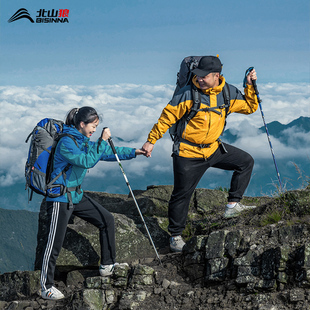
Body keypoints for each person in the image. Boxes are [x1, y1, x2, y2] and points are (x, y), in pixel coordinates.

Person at [142, 56, 259, 252]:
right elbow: (167, 116)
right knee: (182, 195)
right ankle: (175, 237)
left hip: (213, 149)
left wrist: (249, 86)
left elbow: (250, 107)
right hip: (187, 153)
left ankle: (232, 205)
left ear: (216, 75)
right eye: (198, 76)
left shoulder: (227, 93)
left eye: (204, 77)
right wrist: (151, 140)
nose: (200, 79)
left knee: (245, 161)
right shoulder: (188, 93)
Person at [40, 106, 145, 300]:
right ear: (82, 124)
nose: (95, 130)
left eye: (97, 127)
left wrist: (135, 152)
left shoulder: (82, 140)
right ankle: (45, 286)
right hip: (60, 198)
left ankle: (107, 265)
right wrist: (102, 140)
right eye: (93, 126)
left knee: (107, 220)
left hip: (76, 196)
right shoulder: (66, 142)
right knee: (53, 244)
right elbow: (86, 161)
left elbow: (104, 152)